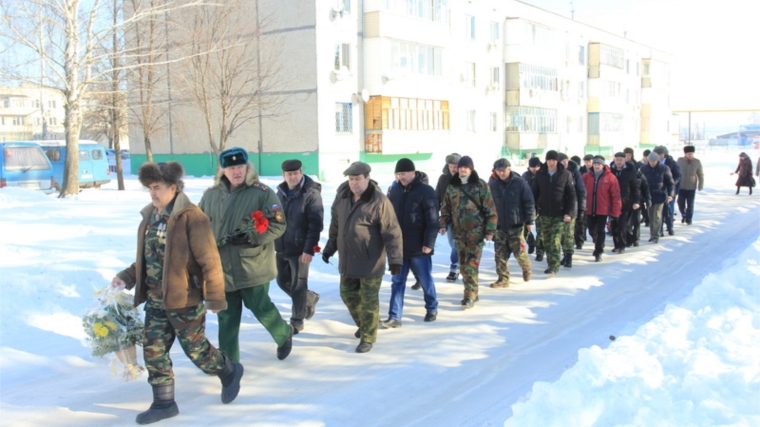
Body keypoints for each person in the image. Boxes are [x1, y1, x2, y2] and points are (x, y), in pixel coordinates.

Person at [114, 162, 243, 425]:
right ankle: (164, 403)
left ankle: (229, 370)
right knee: (153, 350)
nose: (152, 193)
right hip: (156, 301)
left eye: (157, 187)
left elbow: (210, 260)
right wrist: (127, 277)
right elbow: (149, 259)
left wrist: (215, 297)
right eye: (150, 188)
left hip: (185, 299)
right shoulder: (151, 216)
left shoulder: (192, 218)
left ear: (173, 188)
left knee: (197, 352)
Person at [198, 147, 293, 363]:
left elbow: (279, 225)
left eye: (240, 166)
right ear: (223, 170)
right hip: (221, 269)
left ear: (247, 167)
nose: (237, 172)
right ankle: (230, 366)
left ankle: (283, 333)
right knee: (227, 318)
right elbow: (199, 230)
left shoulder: (261, 193)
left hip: (252, 266)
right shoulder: (210, 196)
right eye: (231, 168)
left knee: (260, 307)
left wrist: (251, 237)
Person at [322, 162, 403, 353]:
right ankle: (367, 324)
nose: (354, 183)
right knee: (347, 293)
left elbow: (392, 232)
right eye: (351, 179)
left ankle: (367, 337)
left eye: (358, 179)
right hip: (348, 258)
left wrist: (396, 259)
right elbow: (336, 226)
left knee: (368, 300)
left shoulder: (379, 201)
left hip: (371, 260)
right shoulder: (342, 197)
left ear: (367, 178)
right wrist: (329, 248)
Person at [381, 158, 439, 328]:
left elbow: (433, 219)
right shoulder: (394, 190)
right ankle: (394, 316)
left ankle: (432, 308)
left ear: (413, 173)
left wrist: (429, 243)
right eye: (398, 174)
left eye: (404, 173)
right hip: (399, 247)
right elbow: (388, 218)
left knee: (425, 279)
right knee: (397, 282)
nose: (401, 177)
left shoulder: (426, 191)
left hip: (419, 246)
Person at [439, 156, 497, 308]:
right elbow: (445, 207)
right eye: (460, 167)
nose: (462, 170)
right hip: (458, 234)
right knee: (464, 266)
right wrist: (443, 223)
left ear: (471, 169)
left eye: (465, 167)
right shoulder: (452, 186)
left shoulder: (480, 185)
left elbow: (490, 209)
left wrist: (490, 229)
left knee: (471, 265)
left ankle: (469, 296)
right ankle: (473, 291)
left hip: (476, 233)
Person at [274, 159, 323, 334]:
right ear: (284, 175)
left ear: (301, 173)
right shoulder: (279, 192)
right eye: (289, 174)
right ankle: (309, 298)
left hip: (300, 248)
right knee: (282, 281)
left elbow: (315, 223)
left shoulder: (311, 193)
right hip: (281, 246)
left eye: (296, 173)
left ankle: (297, 321)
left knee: (298, 285)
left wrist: (309, 249)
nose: (293, 177)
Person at [488, 158, 534, 286]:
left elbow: (529, 202)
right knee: (500, 255)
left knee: (519, 252)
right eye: (498, 171)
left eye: (503, 170)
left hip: (516, 225)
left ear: (509, 169)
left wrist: (530, 220)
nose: (501, 173)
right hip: (499, 226)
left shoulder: (520, 183)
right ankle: (503, 279)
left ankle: (526, 268)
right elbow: (488, 206)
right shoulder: (493, 185)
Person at [531, 150, 576, 276]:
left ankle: (554, 266)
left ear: (557, 161)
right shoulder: (540, 174)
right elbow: (534, 193)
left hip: (559, 213)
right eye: (549, 160)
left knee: (555, 240)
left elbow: (572, 195)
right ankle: (551, 263)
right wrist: (533, 210)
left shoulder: (565, 174)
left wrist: (569, 213)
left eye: (553, 160)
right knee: (547, 240)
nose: (551, 163)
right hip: (544, 213)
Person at [582, 156, 621, 262]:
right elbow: (580, 192)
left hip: (603, 209)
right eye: (595, 164)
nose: (597, 166)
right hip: (589, 208)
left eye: (599, 164)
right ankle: (598, 243)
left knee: (600, 231)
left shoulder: (610, 177)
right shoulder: (586, 176)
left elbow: (615, 196)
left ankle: (598, 251)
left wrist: (615, 211)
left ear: (603, 165)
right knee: (591, 230)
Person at [435, 153, 461, 282]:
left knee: (456, 243)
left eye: (455, 166)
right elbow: (437, 198)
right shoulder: (443, 179)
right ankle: (460, 262)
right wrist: (440, 221)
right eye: (451, 166)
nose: (453, 169)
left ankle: (455, 268)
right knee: (453, 244)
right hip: (448, 217)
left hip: (464, 219)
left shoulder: (466, 178)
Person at [639, 151, 675, 244]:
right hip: (648, 196)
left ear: (657, 161)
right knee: (651, 216)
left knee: (657, 216)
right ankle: (652, 234)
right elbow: (639, 182)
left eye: (654, 161)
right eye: (650, 161)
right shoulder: (643, 169)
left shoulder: (664, 168)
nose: (652, 163)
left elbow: (670, 183)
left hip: (660, 195)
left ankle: (656, 235)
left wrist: (671, 194)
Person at [558, 153, 585, 267]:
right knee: (559, 235)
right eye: (562, 161)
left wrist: (581, 208)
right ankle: (564, 255)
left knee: (568, 234)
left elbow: (581, 190)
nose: (564, 163)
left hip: (571, 206)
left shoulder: (574, 172)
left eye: (566, 160)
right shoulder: (553, 172)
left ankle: (568, 257)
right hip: (557, 208)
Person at [610, 152, 640, 253]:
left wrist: (636, 201)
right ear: (614, 160)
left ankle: (622, 245)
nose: (619, 162)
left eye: (621, 160)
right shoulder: (610, 171)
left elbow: (635, 188)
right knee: (614, 225)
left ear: (624, 160)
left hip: (625, 202)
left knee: (622, 224)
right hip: (612, 202)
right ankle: (616, 244)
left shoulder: (630, 171)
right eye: (617, 159)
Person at [653, 145, 681, 236]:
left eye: (660, 154)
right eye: (657, 154)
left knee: (669, 210)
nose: (659, 156)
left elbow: (678, 176)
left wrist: (671, 184)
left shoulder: (672, 163)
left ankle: (670, 226)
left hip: (670, 190)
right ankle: (659, 229)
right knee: (659, 211)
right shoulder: (653, 163)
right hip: (658, 191)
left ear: (664, 154)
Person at [676, 146, 704, 224]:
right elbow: (675, 172)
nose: (690, 155)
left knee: (690, 204)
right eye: (689, 154)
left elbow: (700, 174)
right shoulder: (680, 161)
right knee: (680, 203)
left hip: (691, 187)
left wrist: (700, 184)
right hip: (681, 187)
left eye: (692, 154)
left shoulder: (697, 162)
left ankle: (689, 219)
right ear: (685, 154)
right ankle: (684, 214)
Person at [522, 157, 541, 255]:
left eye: (536, 167)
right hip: (527, 205)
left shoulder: (543, 175)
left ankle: (540, 252)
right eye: (532, 167)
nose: (534, 169)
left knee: (541, 231)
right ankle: (531, 242)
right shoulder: (525, 176)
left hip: (541, 205)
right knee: (524, 229)